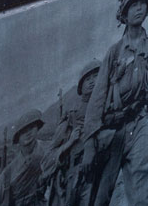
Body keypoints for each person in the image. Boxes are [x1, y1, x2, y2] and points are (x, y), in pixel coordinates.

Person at [82, 0, 148, 206]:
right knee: (102, 194)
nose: (138, 9)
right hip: (112, 131)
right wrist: (88, 143)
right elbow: (97, 98)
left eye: (142, 4)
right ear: (124, 15)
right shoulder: (113, 53)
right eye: (132, 5)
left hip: (138, 122)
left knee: (145, 174)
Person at [46, 61, 102, 206]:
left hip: (100, 167)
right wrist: (70, 142)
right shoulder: (72, 113)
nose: (92, 82)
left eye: (96, 76)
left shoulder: (107, 102)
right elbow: (50, 153)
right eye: (87, 79)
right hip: (77, 173)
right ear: (80, 87)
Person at [0, 110, 49, 206]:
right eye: (23, 131)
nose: (28, 133)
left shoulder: (48, 150)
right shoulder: (8, 173)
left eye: (31, 127)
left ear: (37, 128)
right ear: (18, 138)